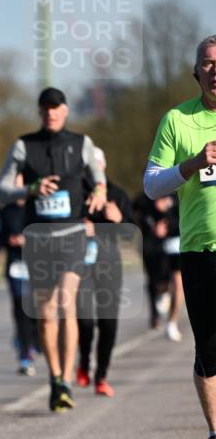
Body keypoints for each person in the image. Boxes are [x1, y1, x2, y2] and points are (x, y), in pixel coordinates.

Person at [0, 87, 107, 412]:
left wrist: (99, 191)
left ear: (66, 110)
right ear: (40, 112)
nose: (51, 113)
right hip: (40, 238)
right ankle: (56, 378)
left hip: (72, 233)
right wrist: (30, 188)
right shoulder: (23, 145)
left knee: (66, 303)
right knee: (46, 314)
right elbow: (1, 190)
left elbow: (98, 177)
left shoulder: (81, 143)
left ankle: (68, 379)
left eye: (56, 108)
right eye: (45, 108)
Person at [143, 34, 216, 439]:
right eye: (207, 62)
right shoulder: (178, 120)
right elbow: (152, 186)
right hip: (201, 252)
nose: (215, 69)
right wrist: (191, 164)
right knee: (209, 352)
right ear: (196, 71)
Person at [76, 148, 135, 397]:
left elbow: (132, 234)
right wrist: (78, 228)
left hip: (109, 264)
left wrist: (119, 219)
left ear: (104, 166)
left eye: (97, 165)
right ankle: (84, 361)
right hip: (80, 265)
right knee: (86, 320)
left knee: (108, 323)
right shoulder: (75, 193)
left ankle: (101, 375)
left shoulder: (118, 194)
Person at [0, 174, 39, 375]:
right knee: (19, 309)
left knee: (33, 310)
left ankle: (33, 342)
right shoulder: (6, 210)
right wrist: (4, 245)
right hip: (14, 265)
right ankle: (24, 354)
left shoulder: (36, 208)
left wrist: (27, 240)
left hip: (35, 265)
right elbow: (1, 235)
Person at [133, 191, 182, 332]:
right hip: (151, 245)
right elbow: (134, 217)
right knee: (154, 280)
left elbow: (184, 217)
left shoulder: (176, 196)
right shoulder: (142, 200)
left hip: (174, 243)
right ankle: (156, 311)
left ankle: (172, 321)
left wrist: (167, 225)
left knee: (177, 280)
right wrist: (151, 227)